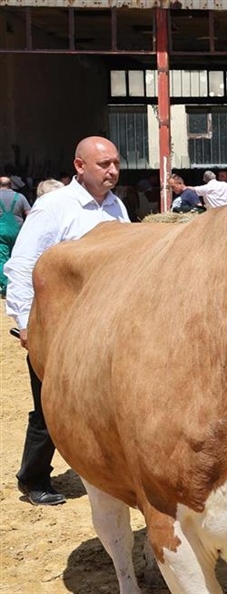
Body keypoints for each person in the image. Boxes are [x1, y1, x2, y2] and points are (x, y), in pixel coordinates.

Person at [4, 136, 131, 506]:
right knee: (49, 407)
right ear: (80, 166)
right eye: (104, 164)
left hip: (104, 324)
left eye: (115, 164)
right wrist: (26, 323)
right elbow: (22, 263)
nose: (113, 171)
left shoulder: (116, 207)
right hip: (59, 326)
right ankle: (34, 478)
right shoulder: (53, 207)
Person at [0, 176, 31, 298]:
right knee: (16, 258)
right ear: (11, 185)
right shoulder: (20, 197)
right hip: (18, 231)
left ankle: (6, 287)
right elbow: (29, 213)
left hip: (1, 231)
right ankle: (18, 286)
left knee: (2, 259)